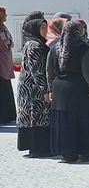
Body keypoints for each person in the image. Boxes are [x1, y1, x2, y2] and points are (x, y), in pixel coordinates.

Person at [46, 21, 89, 163]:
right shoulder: (84, 49)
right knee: (83, 121)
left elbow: (49, 71)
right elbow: (88, 73)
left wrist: (50, 89)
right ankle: (86, 152)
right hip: (81, 90)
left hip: (60, 90)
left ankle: (68, 153)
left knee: (66, 123)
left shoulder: (55, 48)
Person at [16, 17, 52, 156]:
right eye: (41, 28)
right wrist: (44, 89)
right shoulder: (35, 46)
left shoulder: (36, 43)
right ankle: (38, 148)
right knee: (36, 116)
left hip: (33, 87)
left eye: (45, 27)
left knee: (38, 117)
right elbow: (36, 70)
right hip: (33, 89)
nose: (45, 30)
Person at [0, 6, 16, 124]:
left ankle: (8, 115)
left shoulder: (3, 28)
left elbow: (8, 43)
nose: (6, 16)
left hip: (5, 63)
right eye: (4, 14)